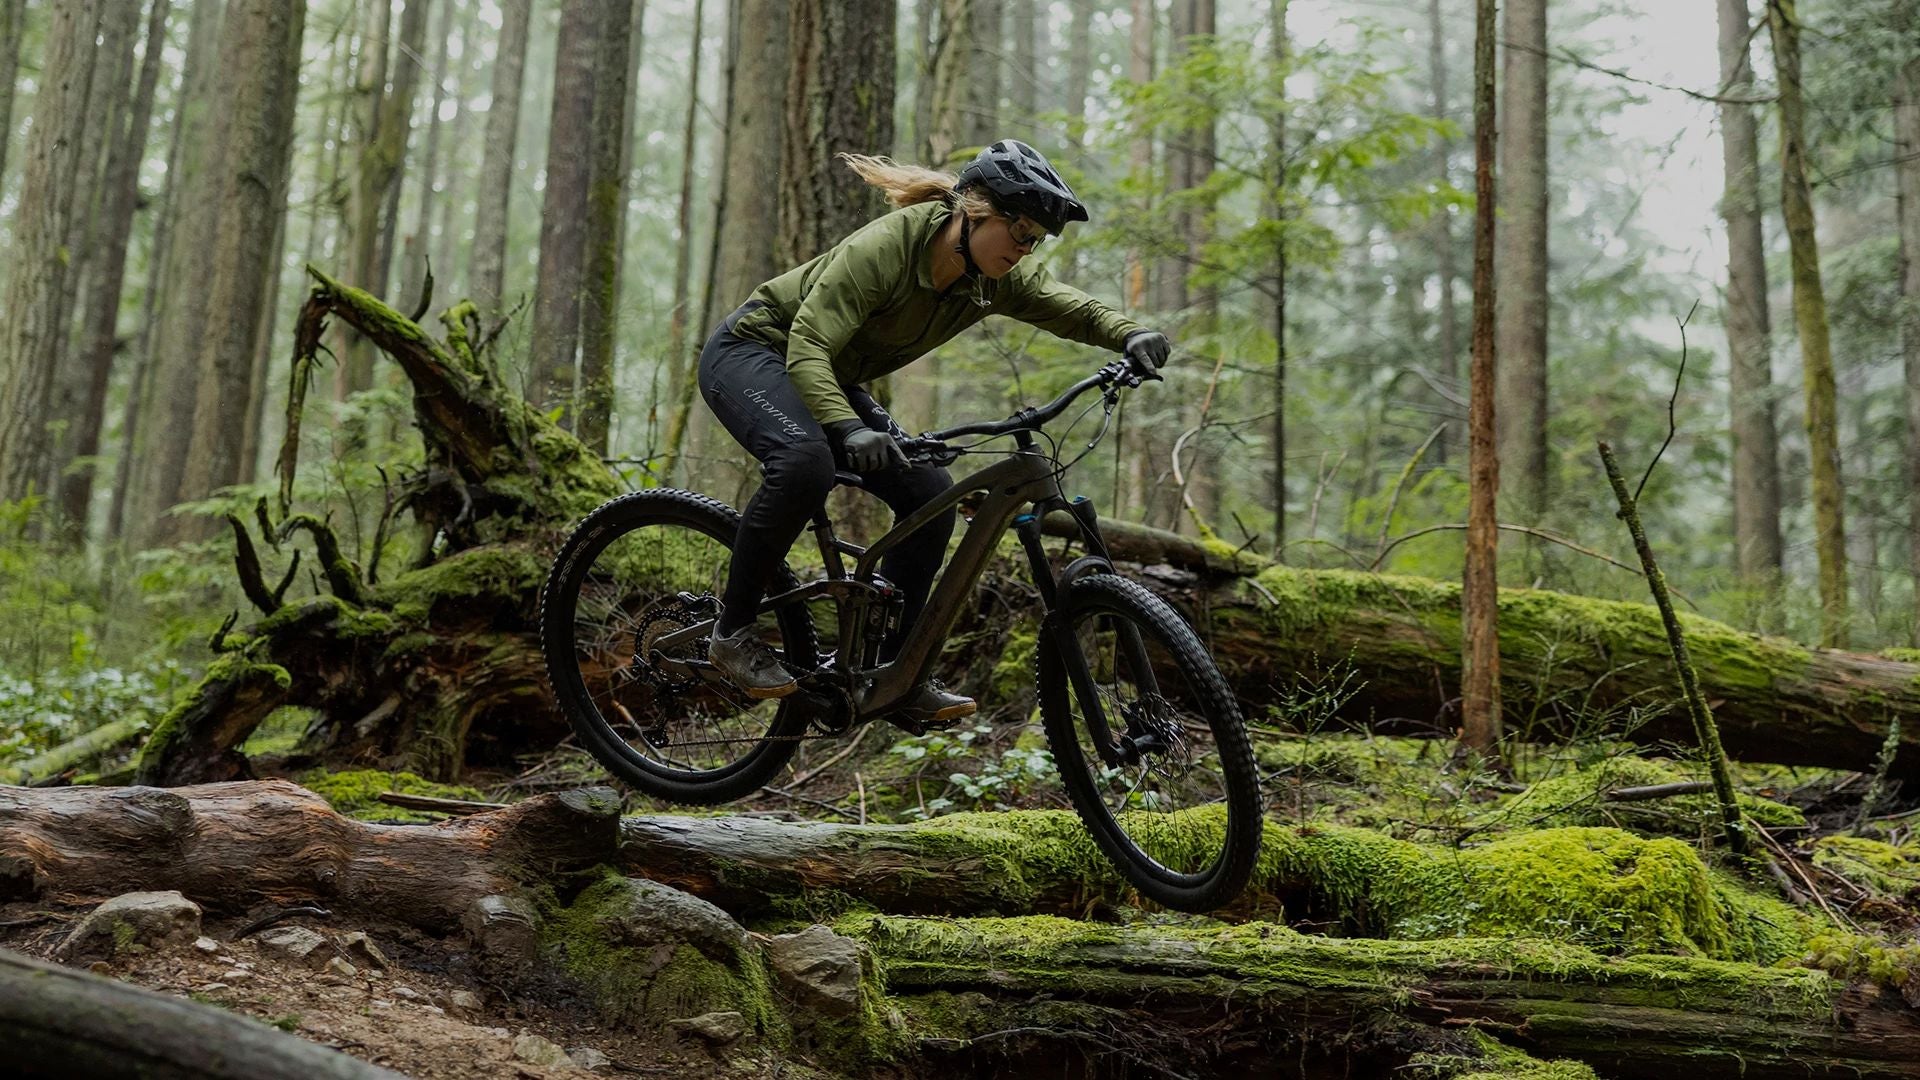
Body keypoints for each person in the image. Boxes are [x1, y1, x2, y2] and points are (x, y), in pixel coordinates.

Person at [696, 139, 1172, 727]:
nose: (1024, 250)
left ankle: (892, 676)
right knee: (803, 462)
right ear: (974, 211)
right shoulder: (890, 247)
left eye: (1035, 240)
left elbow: (1068, 306)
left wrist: (1129, 334)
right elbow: (811, 343)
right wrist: (847, 427)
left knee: (930, 496)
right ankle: (731, 632)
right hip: (756, 351)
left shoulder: (995, 278)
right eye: (1018, 231)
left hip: (826, 376)